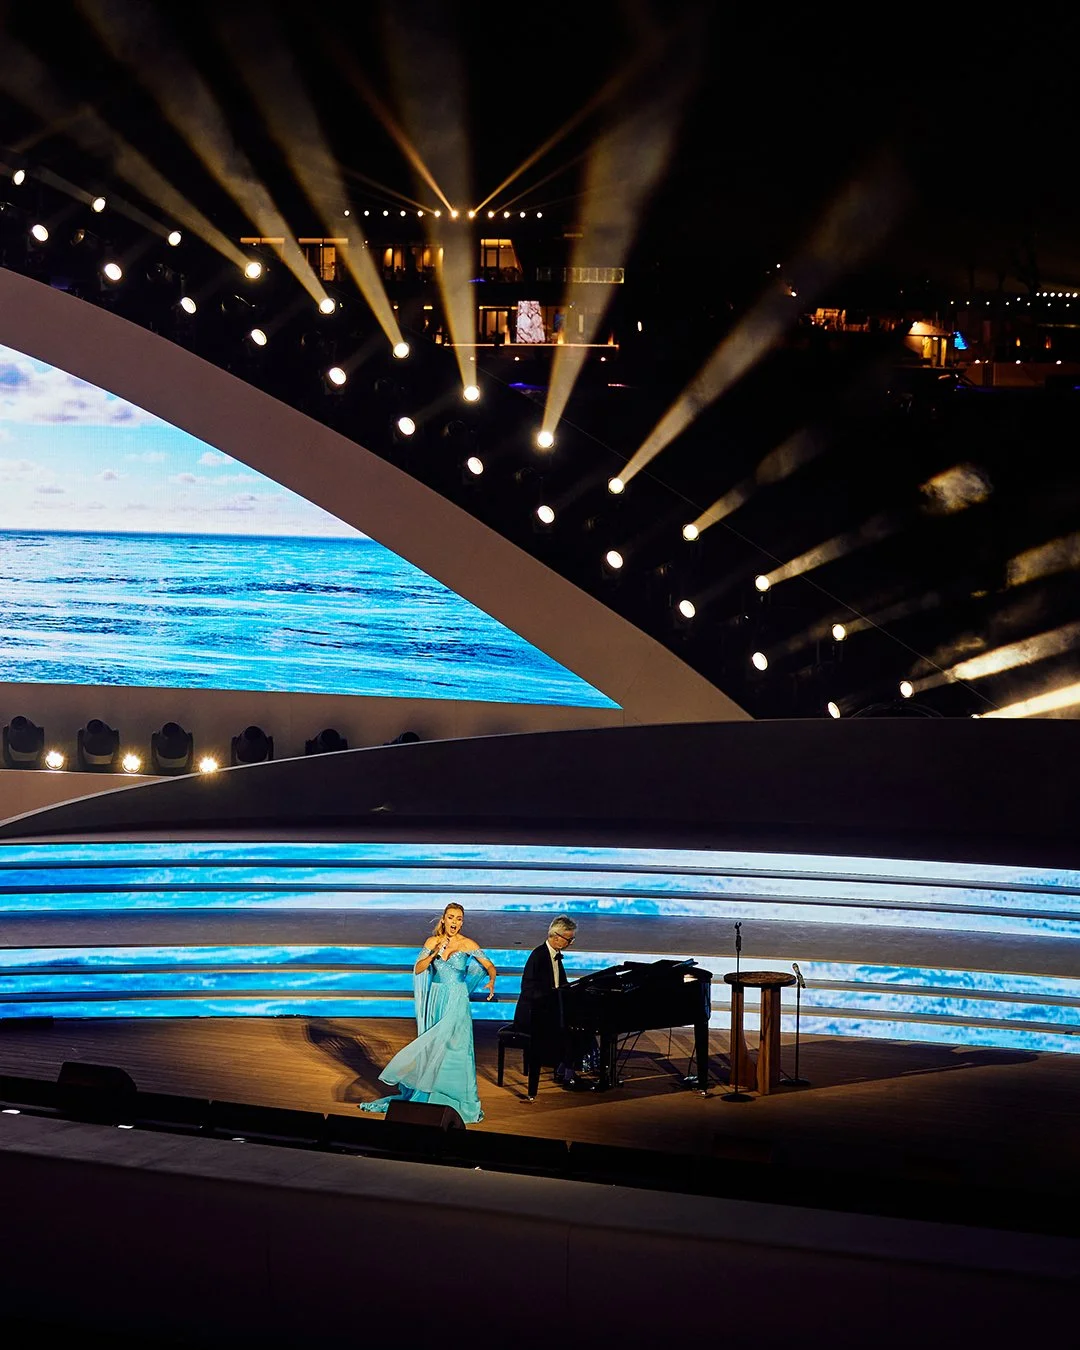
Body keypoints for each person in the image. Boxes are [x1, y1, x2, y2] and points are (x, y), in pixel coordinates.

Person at [360, 902, 497, 1124]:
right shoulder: (432, 942)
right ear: (443, 919)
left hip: (457, 998)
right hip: (436, 997)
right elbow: (418, 969)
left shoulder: (468, 944)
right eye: (451, 917)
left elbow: (489, 965)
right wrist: (433, 954)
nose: (455, 922)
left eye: (459, 918)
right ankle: (430, 1090)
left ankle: (460, 1098)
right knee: (434, 1045)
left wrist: (491, 980)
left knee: (458, 1046)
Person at [513, 915, 591, 1090]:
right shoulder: (538, 956)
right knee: (569, 1030)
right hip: (532, 1014)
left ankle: (566, 1068)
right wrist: (553, 995)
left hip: (548, 1010)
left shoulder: (555, 956)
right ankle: (567, 1072)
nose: (571, 943)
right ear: (556, 937)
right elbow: (528, 990)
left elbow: (561, 986)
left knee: (580, 1026)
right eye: (569, 939)